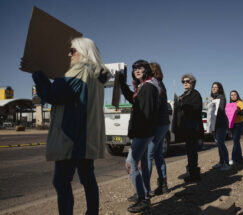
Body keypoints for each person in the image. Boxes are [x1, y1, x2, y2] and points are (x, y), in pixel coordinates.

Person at [21, 37, 111, 215]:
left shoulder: (80, 70)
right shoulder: (97, 75)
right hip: (87, 136)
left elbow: (54, 95)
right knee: (87, 178)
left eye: (72, 50)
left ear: (84, 52)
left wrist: (38, 73)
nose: (68, 54)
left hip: (72, 136)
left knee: (61, 182)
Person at [118, 60, 159, 213]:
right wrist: (122, 82)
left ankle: (143, 199)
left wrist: (138, 134)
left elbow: (146, 113)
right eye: (135, 68)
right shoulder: (143, 87)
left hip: (142, 133)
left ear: (146, 70)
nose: (137, 70)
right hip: (143, 133)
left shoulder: (147, 87)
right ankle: (143, 195)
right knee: (139, 165)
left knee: (130, 164)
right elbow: (133, 100)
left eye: (140, 67)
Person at [173, 74, 204, 182]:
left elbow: (196, 109)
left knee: (192, 151)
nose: (185, 83)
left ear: (192, 82)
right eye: (183, 81)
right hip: (186, 128)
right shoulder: (183, 95)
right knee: (189, 151)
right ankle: (191, 172)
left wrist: (184, 106)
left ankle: (194, 174)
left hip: (193, 128)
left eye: (187, 81)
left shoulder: (195, 94)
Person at [148, 62, 170, 195]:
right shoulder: (160, 83)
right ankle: (163, 185)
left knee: (148, 155)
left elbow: (153, 106)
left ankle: (144, 190)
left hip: (157, 123)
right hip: (163, 123)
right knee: (158, 155)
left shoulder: (153, 84)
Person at [210, 82, 230, 171]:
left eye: (216, 87)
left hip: (221, 124)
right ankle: (221, 162)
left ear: (219, 88)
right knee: (218, 143)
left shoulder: (221, 97)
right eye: (212, 87)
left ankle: (227, 163)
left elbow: (220, 109)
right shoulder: (214, 98)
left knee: (221, 143)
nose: (213, 88)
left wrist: (212, 103)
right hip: (215, 124)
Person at [229, 90, 243, 164]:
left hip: (239, 124)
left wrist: (238, 112)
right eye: (232, 95)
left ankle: (233, 158)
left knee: (236, 141)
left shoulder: (241, 103)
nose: (233, 96)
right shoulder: (230, 104)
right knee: (236, 141)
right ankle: (239, 158)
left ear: (237, 95)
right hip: (232, 124)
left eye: (234, 94)